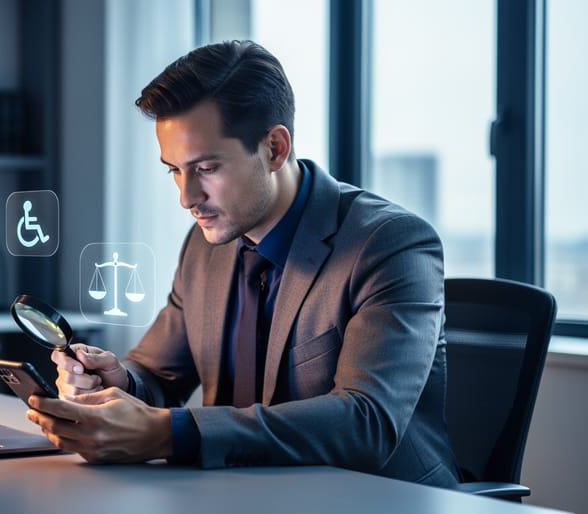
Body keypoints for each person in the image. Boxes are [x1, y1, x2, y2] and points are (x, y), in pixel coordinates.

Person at [25, 40, 459, 487]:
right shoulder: (206, 243)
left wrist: (166, 433)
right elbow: (156, 374)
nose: (186, 198)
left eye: (207, 168)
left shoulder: (389, 243)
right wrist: (115, 382)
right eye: (173, 169)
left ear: (274, 148)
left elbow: (367, 422)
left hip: (376, 499)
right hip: (241, 493)